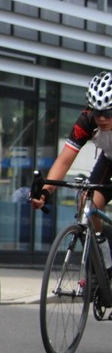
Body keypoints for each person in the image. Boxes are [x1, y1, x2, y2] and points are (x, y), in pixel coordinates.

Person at [31, 71, 112, 268]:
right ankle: (103, 259)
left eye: (107, 113)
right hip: (109, 159)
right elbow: (65, 160)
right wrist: (46, 191)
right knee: (87, 202)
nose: (101, 118)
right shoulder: (86, 121)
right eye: (96, 111)